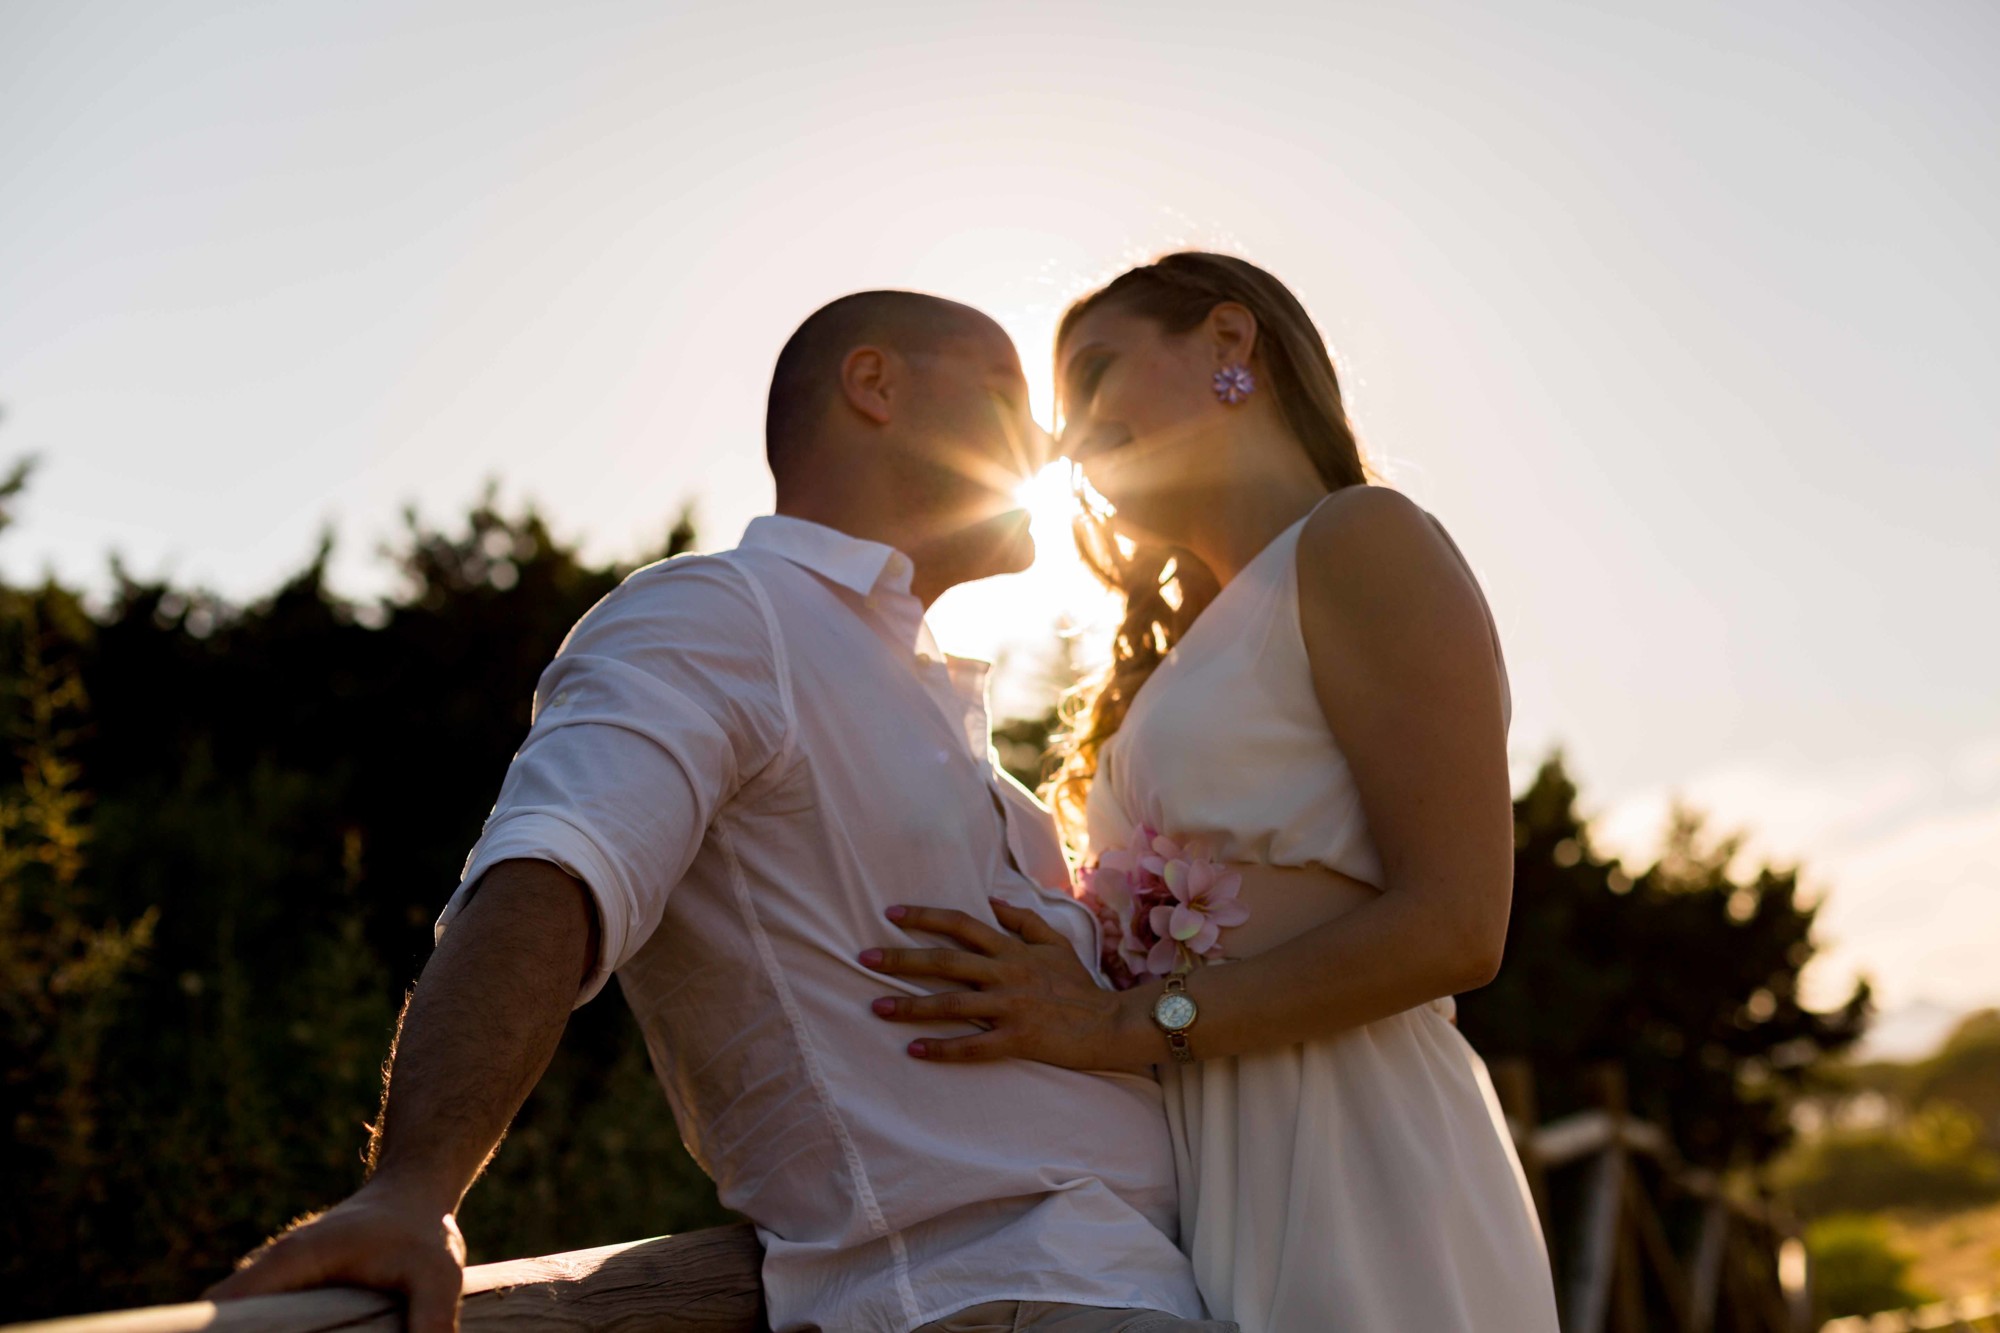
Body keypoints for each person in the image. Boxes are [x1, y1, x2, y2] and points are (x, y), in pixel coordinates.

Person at [207, 291, 1227, 1333]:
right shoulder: (721, 615)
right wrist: (413, 1189)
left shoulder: (944, 716)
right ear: (874, 385)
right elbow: (553, 869)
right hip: (1002, 1296)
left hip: (1151, 1283)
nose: (1048, 440)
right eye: (1007, 392)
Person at [863, 254, 1563, 1332]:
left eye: (1097, 374)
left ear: (1230, 343)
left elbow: (1456, 925)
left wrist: (1124, 1020)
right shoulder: (1180, 653)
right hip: (1207, 1168)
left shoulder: (1360, 540)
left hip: (1358, 1152)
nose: (1069, 436)